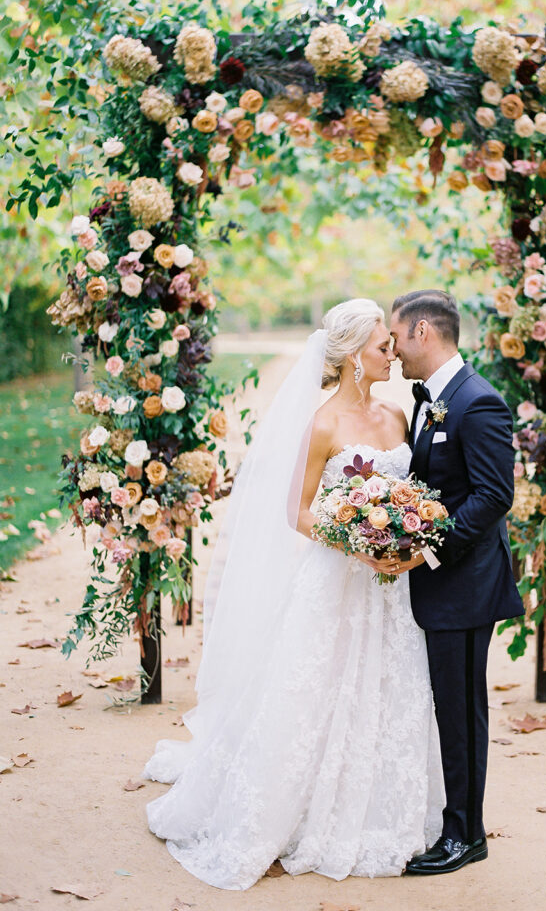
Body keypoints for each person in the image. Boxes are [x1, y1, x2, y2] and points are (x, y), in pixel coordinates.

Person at [143, 299, 443, 889]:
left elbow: (410, 491)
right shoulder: (324, 424)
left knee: (389, 687)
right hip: (338, 578)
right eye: (384, 345)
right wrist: (355, 539)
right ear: (356, 356)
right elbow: (297, 513)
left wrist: (405, 528)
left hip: (391, 588)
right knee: (315, 688)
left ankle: (382, 811)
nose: (393, 353)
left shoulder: (397, 417)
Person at [386, 289, 525, 876]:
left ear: (423, 332)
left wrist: (424, 549)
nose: (391, 351)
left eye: (395, 338)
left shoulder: (478, 403)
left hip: (466, 587)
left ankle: (466, 835)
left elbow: (495, 496)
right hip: (440, 588)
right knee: (446, 707)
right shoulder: (430, 400)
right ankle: (455, 824)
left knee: (463, 711)